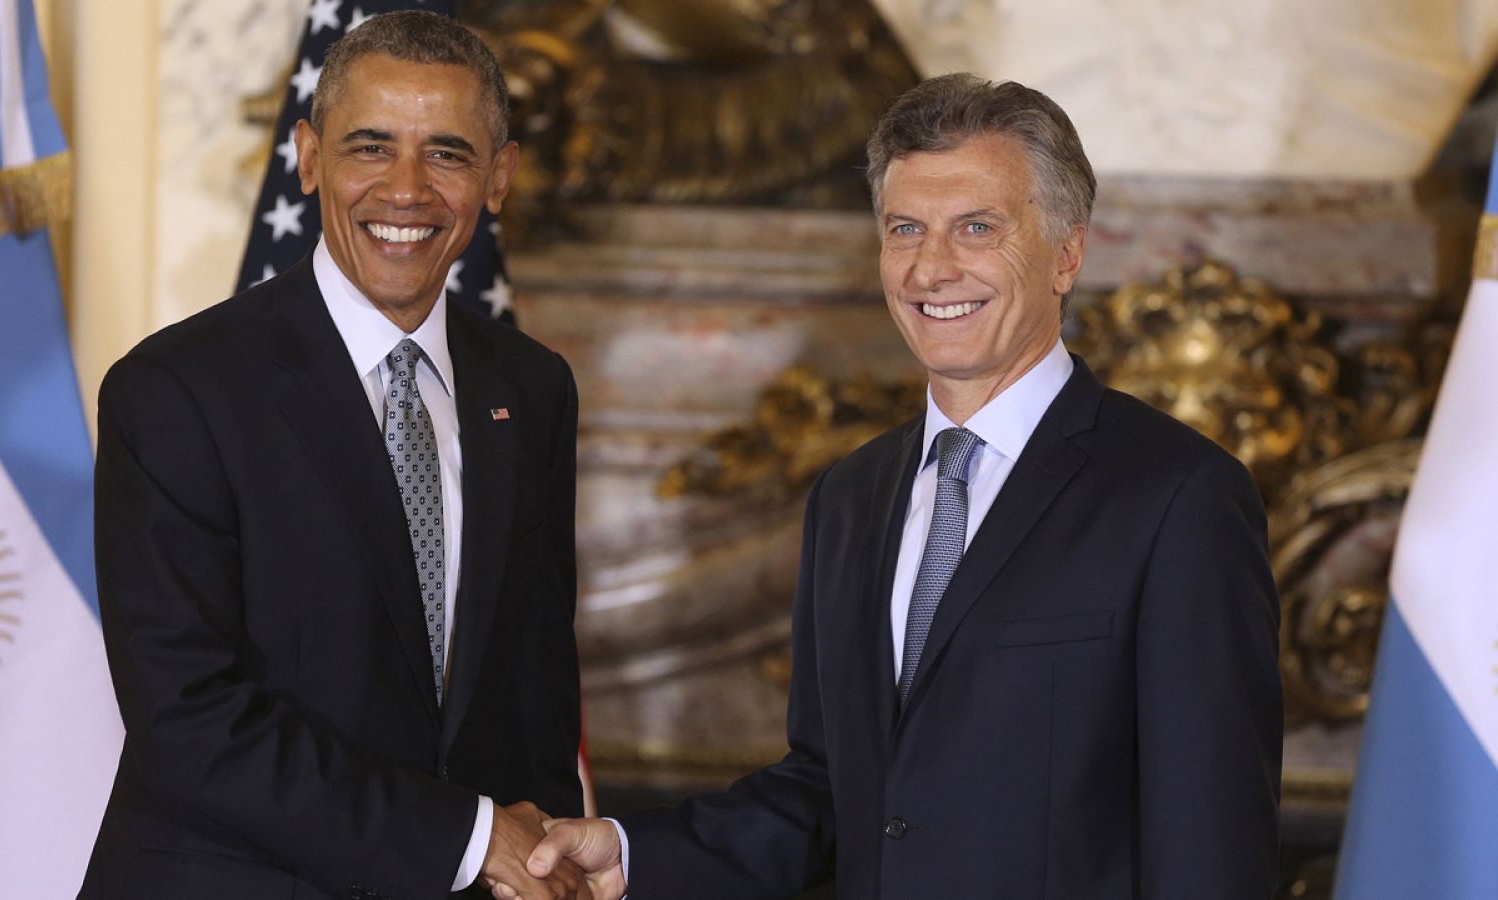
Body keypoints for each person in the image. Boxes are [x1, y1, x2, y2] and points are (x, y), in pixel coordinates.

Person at [521, 73, 1283, 900]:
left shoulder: (1180, 497)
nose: (931, 268)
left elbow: (1211, 841)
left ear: (1067, 254)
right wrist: (630, 852)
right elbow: (830, 792)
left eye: (977, 228)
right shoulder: (850, 497)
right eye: (906, 229)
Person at [80, 12, 586, 900]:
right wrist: (470, 839)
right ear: (309, 158)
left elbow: (535, 691)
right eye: (370, 147)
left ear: (499, 177)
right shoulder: (175, 391)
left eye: (447, 153)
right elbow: (188, 718)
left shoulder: (532, 388)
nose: (406, 190)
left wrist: (547, 862)